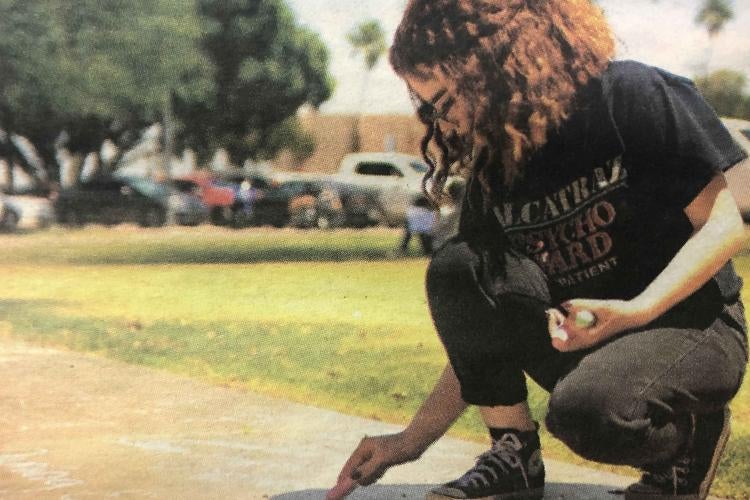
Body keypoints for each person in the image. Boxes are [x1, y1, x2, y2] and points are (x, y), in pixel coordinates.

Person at [327, 1, 749, 499]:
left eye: (443, 102)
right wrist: (410, 442)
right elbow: (481, 328)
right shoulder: (499, 158)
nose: (443, 122)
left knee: (589, 415)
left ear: (493, 66)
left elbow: (725, 227)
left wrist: (636, 312)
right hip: (589, 337)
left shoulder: (632, 96)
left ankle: (687, 445)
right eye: (428, 110)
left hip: (689, 326)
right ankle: (514, 456)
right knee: (459, 268)